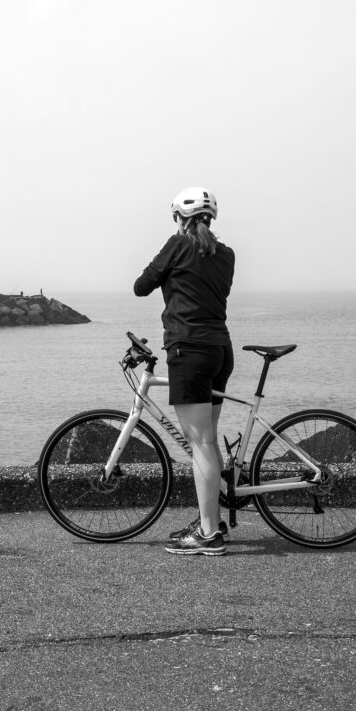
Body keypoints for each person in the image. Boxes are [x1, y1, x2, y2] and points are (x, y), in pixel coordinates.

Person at [133, 187, 235, 556]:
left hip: (189, 349)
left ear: (179, 218)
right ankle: (212, 520)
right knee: (207, 438)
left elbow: (141, 287)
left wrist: (170, 254)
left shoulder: (177, 246)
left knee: (202, 443)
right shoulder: (226, 255)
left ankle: (209, 536)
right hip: (220, 350)